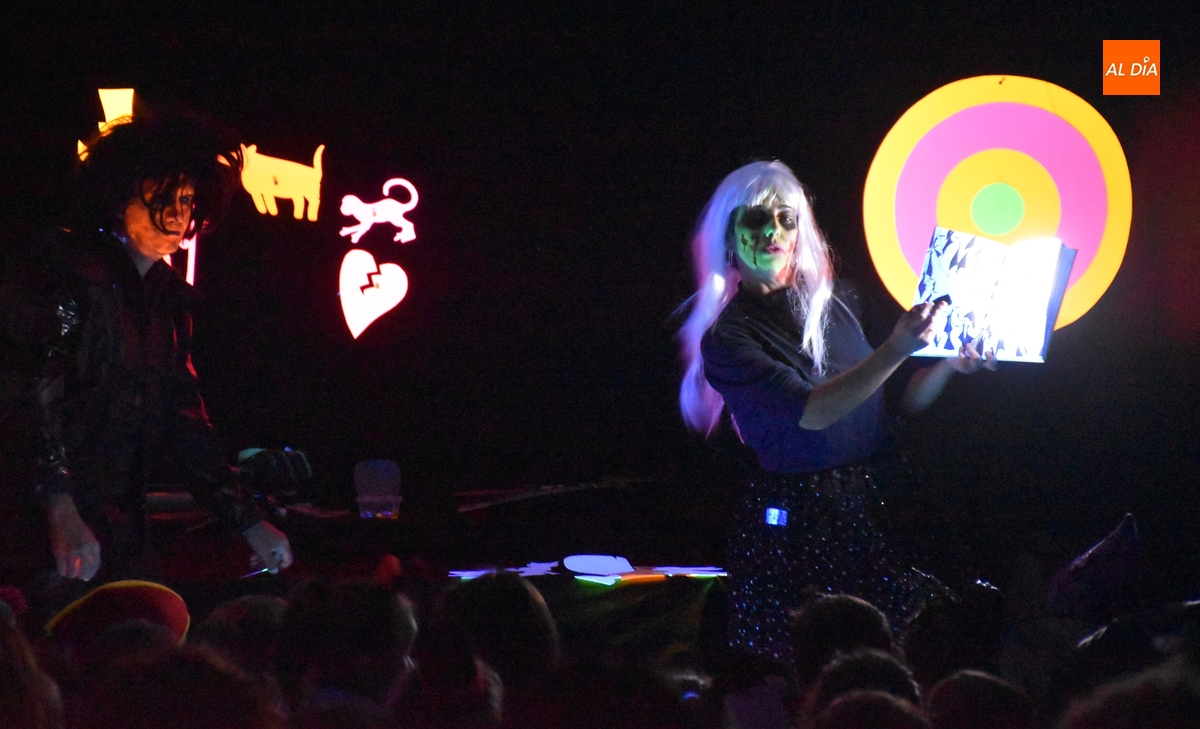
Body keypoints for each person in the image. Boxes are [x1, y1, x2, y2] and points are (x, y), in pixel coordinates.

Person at [677, 161, 993, 662]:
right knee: (817, 659)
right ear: (729, 237)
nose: (774, 232)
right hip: (802, 524)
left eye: (786, 218)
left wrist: (949, 366)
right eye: (757, 219)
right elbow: (812, 413)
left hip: (880, 500)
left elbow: (902, 401)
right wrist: (897, 348)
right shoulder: (729, 339)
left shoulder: (840, 301)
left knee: (912, 647)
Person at [0, 109, 292, 596]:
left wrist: (248, 521)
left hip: (114, 529)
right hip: (31, 531)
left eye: (186, 200)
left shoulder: (166, 300)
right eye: (160, 198)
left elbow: (184, 422)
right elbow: (27, 398)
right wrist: (59, 508)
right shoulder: (63, 274)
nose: (177, 215)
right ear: (119, 198)